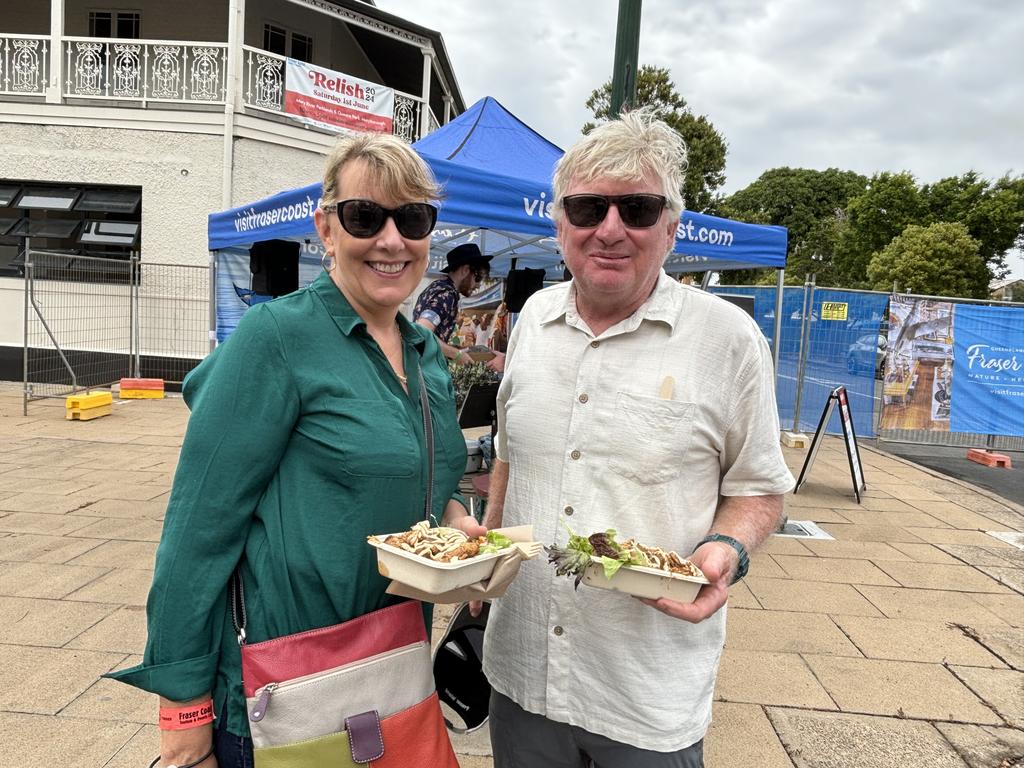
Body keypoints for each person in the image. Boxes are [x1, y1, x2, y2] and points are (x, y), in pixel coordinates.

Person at [107, 132, 484, 768]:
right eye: (366, 216)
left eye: (413, 219)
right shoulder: (276, 337)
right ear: (327, 229)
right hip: (285, 683)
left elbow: (427, 479)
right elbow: (198, 529)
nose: (391, 240)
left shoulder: (425, 357)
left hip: (391, 667)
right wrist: (183, 710)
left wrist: (456, 526)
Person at [479, 109, 794, 768]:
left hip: (645, 695)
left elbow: (760, 491)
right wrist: (484, 557)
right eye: (589, 208)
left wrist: (726, 549)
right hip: (521, 675)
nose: (611, 229)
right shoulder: (533, 318)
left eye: (638, 208)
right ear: (560, 223)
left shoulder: (727, 339)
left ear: (672, 228)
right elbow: (510, 453)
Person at [413, 242, 492, 365]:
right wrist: (456, 354)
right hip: (425, 371)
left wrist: (454, 349)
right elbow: (422, 332)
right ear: (465, 270)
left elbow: (429, 336)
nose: (478, 285)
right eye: (478, 278)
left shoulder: (437, 288)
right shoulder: (446, 294)